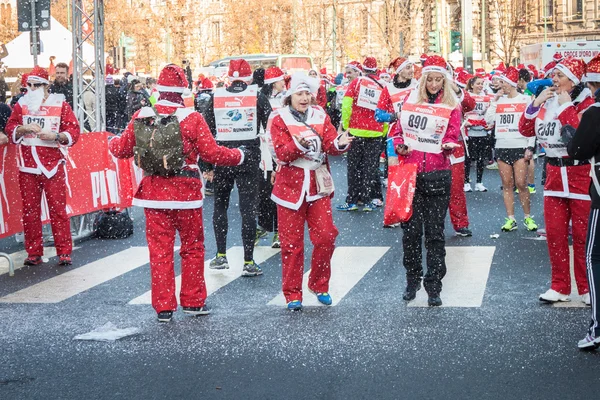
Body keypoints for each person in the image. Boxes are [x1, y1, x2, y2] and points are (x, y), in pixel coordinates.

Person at [109, 64, 248, 322]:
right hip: (186, 195)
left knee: (160, 250)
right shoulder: (192, 118)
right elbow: (212, 154)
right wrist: (239, 155)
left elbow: (122, 149)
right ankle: (193, 302)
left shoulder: (142, 114)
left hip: (153, 193)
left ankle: (163, 307)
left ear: (158, 89)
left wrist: (110, 142)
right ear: (183, 90)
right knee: (193, 247)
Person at [269, 72, 352, 310]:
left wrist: (340, 143)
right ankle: (292, 293)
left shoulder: (320, 114)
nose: (304, 98)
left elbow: (330, 143)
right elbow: (282, 153)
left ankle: (318, 283)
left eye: (307, 93)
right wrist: (298, 145)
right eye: (299, 93)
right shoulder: (279, 118)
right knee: (292, 245)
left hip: (317, 184)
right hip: (289, 187)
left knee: (326, 236)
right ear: (290, 96)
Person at [519, 57, 594, 304]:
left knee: (583, 237)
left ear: (573, 80)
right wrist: (535, 104)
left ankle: (586, 288)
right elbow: (525, 130)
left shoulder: (587, 104)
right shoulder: (548, 100)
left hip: (580, 176)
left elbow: (581, 138)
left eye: (560, 76)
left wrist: (565, 107)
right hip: (553, 176)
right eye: (554, 75)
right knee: (555, 234)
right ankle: (560, 286)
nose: (554, 80)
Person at [389, 55, 461, 307]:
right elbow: (397, 133)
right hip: (411, 174)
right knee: (409, 233)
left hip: (438, 174)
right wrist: (401, 147)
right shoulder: (410, 102)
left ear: (444, 80)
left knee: (435, 234)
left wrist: (450, 145)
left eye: (438, 79)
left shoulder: (452, 106)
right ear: (422, 81)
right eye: (429, 79)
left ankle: (434, 285)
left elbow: (453, 135)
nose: (433, 84)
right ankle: (412, 278)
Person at [5, 66, 80, 266]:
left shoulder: (60, 103)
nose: (31, 88)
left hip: (53, 165)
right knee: (30, 211)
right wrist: (22, 129)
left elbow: (73, 130)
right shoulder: (21, 105)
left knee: (58, 210)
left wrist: (57, 136)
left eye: (36, 85)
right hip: (27, 166)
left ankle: (64, 251)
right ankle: (34, 252)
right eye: (28, 85)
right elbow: (10, 127)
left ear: (46, 86)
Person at [203, 59, 270, 276]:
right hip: (248, 157)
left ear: (228, 77)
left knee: (220, 206)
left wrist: (207, 165)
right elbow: (271, 125)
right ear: (249, 78)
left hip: (222, 157)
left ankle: (221, 256)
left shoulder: (216, 96)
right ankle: (248, 261)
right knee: (247, 209)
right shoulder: (257, 96)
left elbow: (205, 133)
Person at [567, 55, 600, 348]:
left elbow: (577, 150)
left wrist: (571, 137)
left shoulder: (595, 113)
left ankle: (598, 327)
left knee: (594, 256)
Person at [484, 67, 538, 233]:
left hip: (520, 146)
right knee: (507, 185)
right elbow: (488, 119)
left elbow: (531, 123)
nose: (502, 86)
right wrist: (495, 100)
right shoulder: (499, 100)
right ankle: (511, 219)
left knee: (521, 184)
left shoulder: (525, 100)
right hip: (502, 145)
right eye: (501, 82)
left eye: (504, 83)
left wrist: (530, 146)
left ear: (512, 83)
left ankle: (528, 217)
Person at [338, 56, 386, 212]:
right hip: (375, 133)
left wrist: (347, 125)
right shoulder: (383, 86)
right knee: (370, 168)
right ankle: (367, 201)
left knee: (353, 167)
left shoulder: (357, 83)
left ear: (363, 70)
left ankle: (352, 200)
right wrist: (382, 130)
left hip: (356, 131)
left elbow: (346, 105)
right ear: (376, 69)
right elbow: (386, 111)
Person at [256, 66, 286, 248]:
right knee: (264, 192)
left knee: (279, 191)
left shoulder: (286, 99)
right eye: (282, 79)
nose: (284, 83)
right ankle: (265, 225)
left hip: (280, 150)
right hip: (262, 151)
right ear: (274, 82)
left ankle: (279, 231)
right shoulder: (259, 98)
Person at [464, 75, 492, 191]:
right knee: (468, 158)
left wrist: (489, 124)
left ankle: (479, 182)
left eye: (482, 84)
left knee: (481, 159)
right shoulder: (467, 96)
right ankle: (466, 182)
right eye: (478, 83)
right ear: (472, 85)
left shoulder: (486, 98)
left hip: (482, 131)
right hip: (469, 131)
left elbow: (488, 113)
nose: (480, 86)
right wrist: (465, 123)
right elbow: (461, 112)